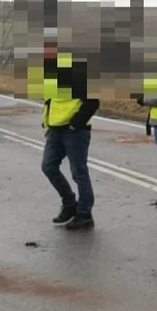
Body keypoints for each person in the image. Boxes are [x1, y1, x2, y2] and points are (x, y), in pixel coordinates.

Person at [41, 94, 101, 230]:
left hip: (75, 131)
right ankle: (69, 204)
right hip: (55, 130)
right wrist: (47, 123)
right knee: (48, 166)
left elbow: (93, 101)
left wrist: (76, 123)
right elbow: (49, 101)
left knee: (79, 172)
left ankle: (85, 214)